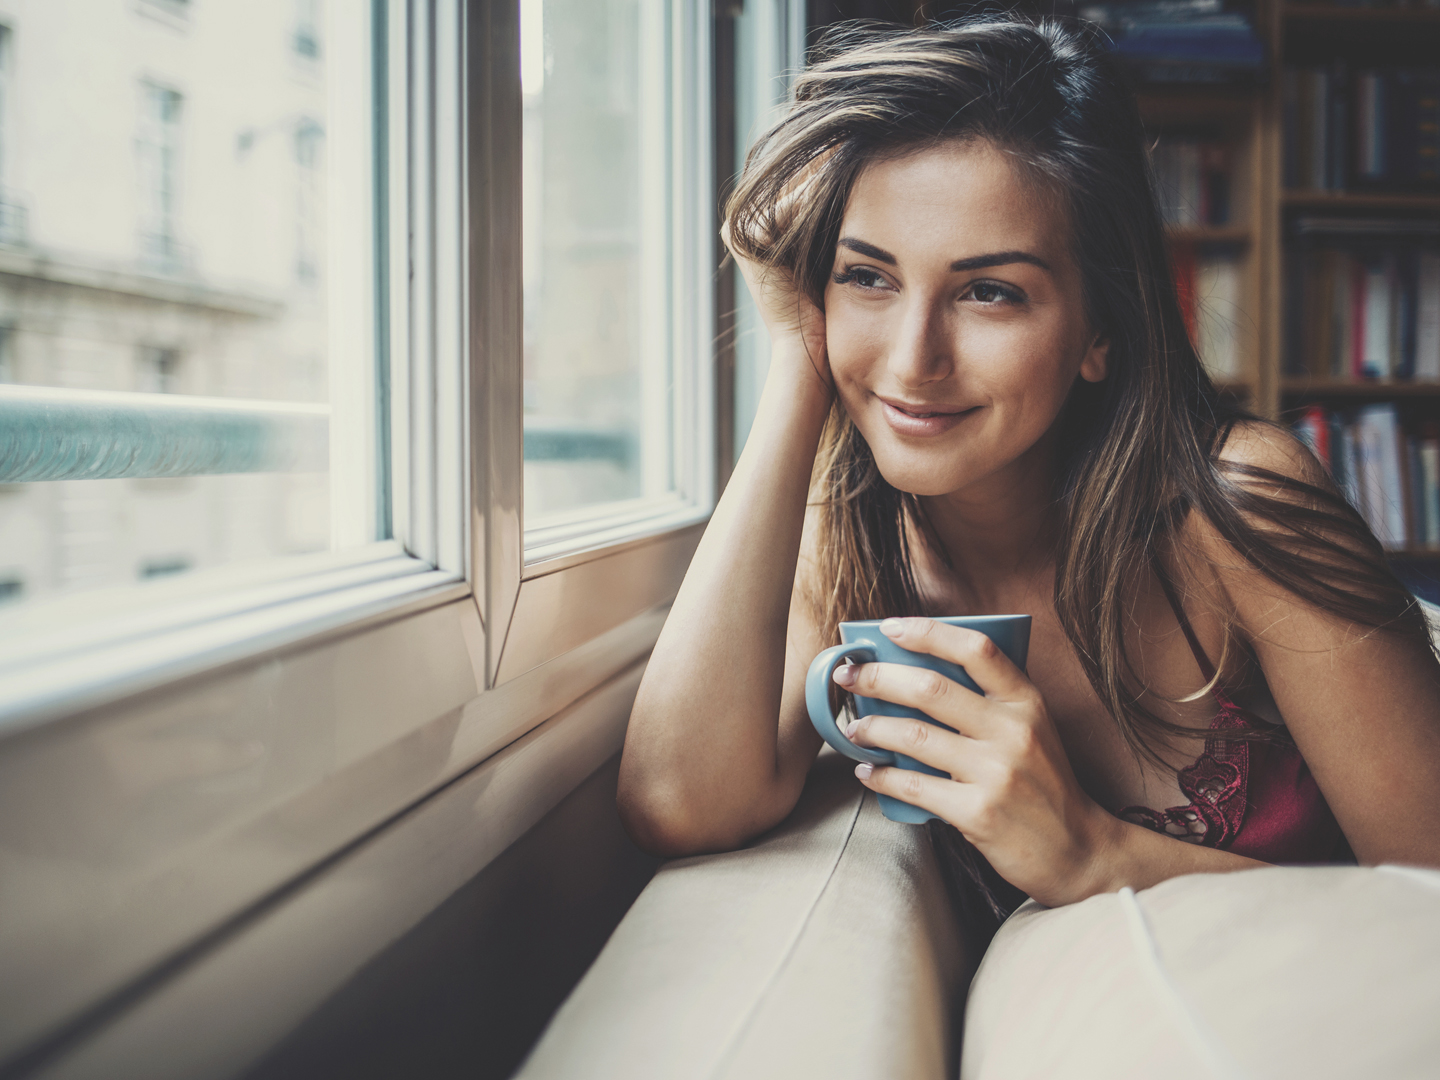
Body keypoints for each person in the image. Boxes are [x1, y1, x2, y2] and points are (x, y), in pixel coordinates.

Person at [616, 15, 1440, 938]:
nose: (913, 359)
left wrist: (1095, 857)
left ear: (1100, 328)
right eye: (868, 278)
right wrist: (794, 359)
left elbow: (1429, 890)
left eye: (988, 291)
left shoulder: (1241, 503)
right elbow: (676, 800)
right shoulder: (847, 524)